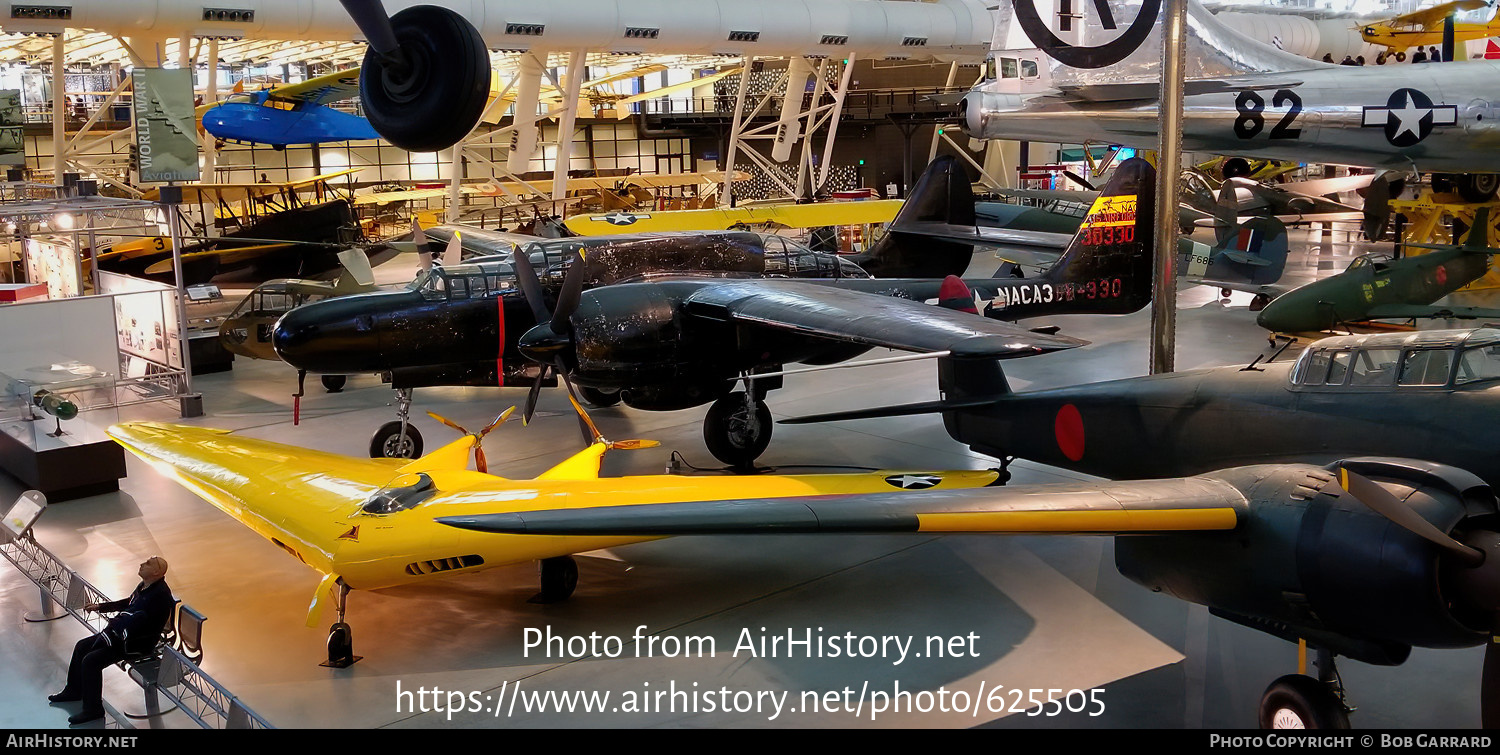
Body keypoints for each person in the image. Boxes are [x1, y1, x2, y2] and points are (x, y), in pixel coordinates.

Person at [49, 557, 174, 725]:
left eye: (148, 563)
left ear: (156, 572)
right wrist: (101, 607)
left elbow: (144, 625)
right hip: (124, 636)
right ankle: (74, 690)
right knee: (82, 646)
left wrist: (114, 634)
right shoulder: (145, 587)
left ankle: (93, 709)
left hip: (136, 643)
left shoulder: (160, 596)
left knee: (91, 660)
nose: (142, 563)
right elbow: (129, 603)